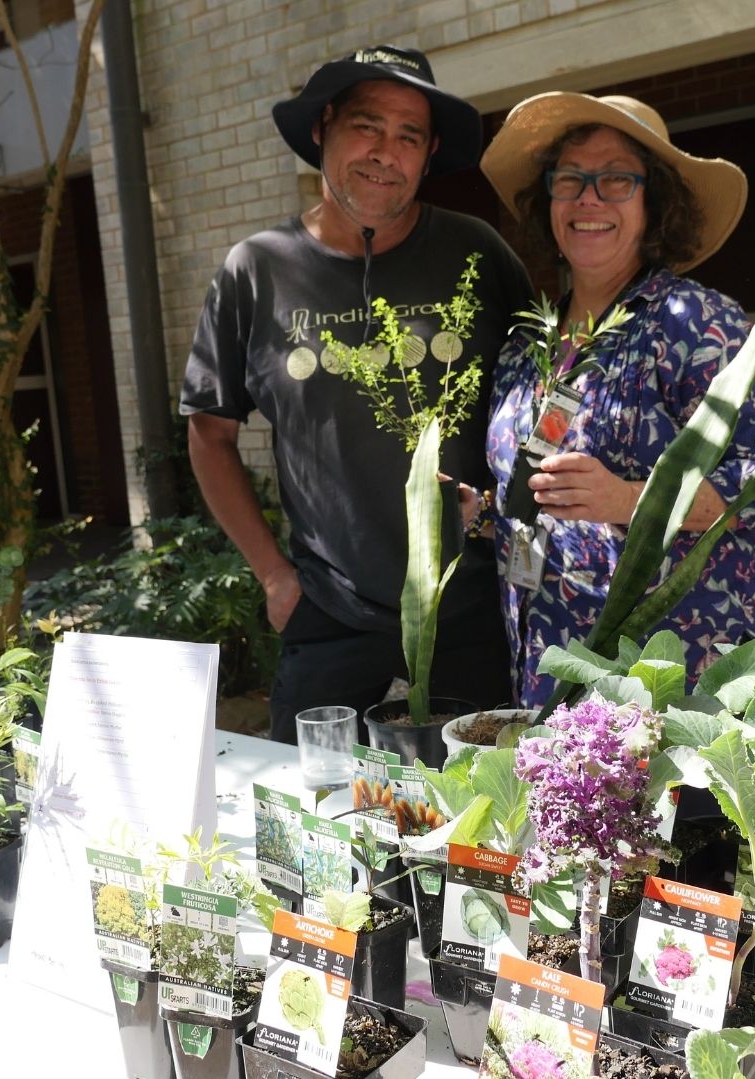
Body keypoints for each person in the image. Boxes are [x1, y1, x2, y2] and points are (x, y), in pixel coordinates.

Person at [181, 46, 533, 743]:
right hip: (327, 612)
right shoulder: (256, 270)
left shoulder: (478, 253)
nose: (385, 153)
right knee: (310, 825)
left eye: (409, 137)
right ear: (323, 129)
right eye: (367, 127)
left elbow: (542, 400)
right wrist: (275, 578)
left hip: (470, 610)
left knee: (477, 830)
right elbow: (210, 434)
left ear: (430, 154)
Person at [479, 94, 755, 708]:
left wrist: (629, 499)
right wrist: (483, 513)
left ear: (655, 204)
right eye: (570, 178)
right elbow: (536, 491)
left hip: (673, 672)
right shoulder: (528, 343)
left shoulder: (694, 323)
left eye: (616, 179)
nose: (588, 198)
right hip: (550, 662)